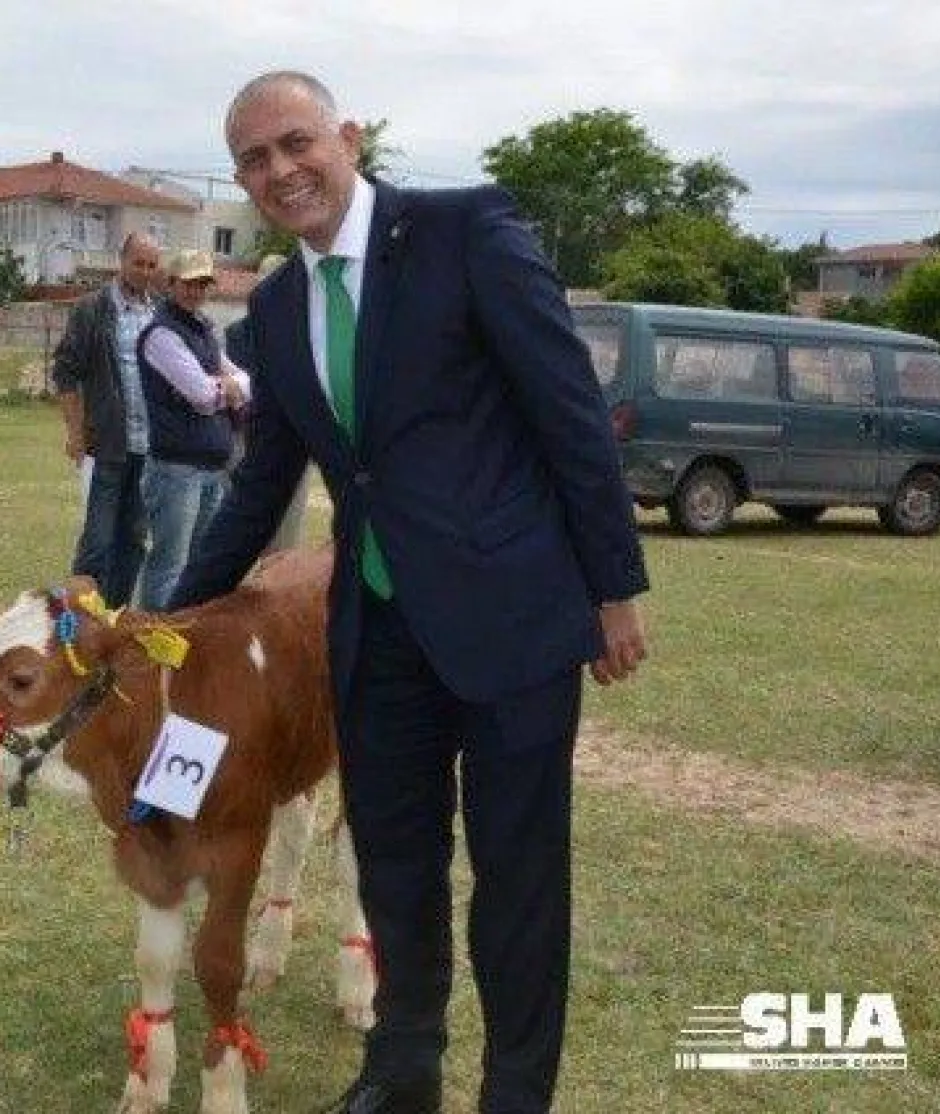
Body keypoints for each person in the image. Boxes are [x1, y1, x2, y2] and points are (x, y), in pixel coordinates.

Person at [170, 72, 650, 1114]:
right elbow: (263, 481)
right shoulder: (281, 302)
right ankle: (401, 1070)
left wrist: (613, 589)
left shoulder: (464, 231)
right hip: (374, 631)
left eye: (294, 142)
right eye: (252, 159)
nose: (278, 170)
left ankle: (514, 1091)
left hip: (511, 621)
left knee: (518, 883)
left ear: (345, 137)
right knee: (394, 866)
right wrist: (165, 613)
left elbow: (568, 408)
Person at [136, 247, 251, 610]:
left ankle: (182, 649)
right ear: (171, 284)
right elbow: (201, 395)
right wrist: (227, 387)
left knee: (200, 566)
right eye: (188, 283)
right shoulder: (161, 334)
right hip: (176, 470)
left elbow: (247, 382)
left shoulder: (203, 330)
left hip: (209, 469)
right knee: (169, 567)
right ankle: (154, 648)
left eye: (202, 283)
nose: (196, 291)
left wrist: (228, 385)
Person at [53, 232, 161, 606]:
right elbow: (65, 372)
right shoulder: (92, 310)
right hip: (109, 445)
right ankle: (78, 620)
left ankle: (113, 621)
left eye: (152, 265)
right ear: (122, 261)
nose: (146, 271)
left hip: (151, 449)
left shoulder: (159, 311)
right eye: (139, 263)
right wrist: (75, 432)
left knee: (133, 540)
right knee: (98, 541)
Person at [224, 251, 310, 553]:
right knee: (243, 537)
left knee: (285, 541)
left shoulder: (305, 334)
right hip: (247, 444)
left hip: (293, 445)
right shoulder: (236, 334)